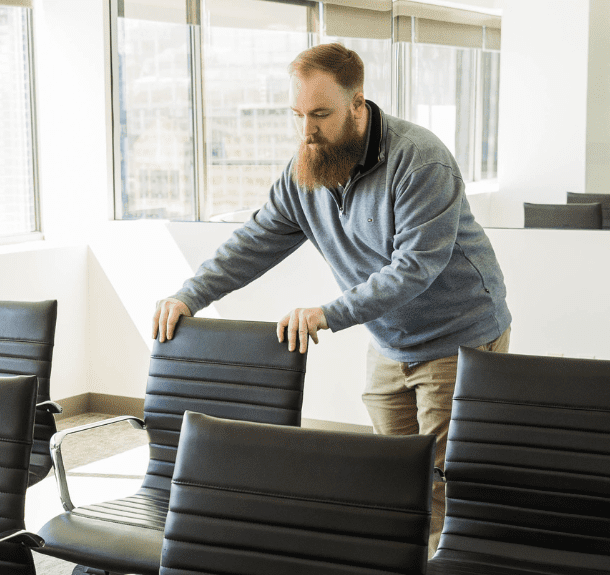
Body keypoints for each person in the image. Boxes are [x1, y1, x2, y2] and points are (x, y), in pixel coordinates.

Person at [147, 43, 512, 542]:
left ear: (357, 105)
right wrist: (190, 295)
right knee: (402, 479)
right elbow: (255, 241)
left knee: (445, 486)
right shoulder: (308, 165)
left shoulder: (420, 160)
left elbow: (414, 269)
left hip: (459, 336)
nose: (305, 130)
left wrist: (328, 313)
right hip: (389, 342)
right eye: (296, 114)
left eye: (320, 114)